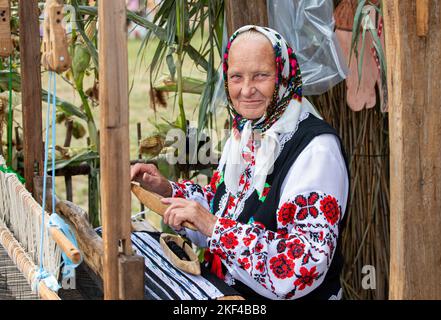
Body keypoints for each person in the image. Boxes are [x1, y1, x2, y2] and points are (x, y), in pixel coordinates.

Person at [131, 25, 349, 300]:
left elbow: (301, 266)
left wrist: (213, 227)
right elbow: (227, 206)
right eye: (236, 77)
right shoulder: (247, 130)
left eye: (261, 76)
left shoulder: (316, 151)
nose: (246, 90)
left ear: (283, 75)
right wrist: (168, 191)